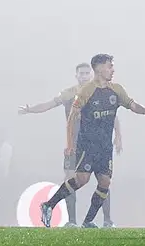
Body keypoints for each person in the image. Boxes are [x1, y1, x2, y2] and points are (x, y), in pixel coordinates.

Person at [36, 54, 145, 228]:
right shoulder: (86, 90)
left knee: (105, 182)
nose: (113, 69)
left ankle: (88, 221)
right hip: (87, 145)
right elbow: (72, 116)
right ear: (99, 68)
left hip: (105, 146)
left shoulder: (116, 90)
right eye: (110, 66)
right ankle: (48, 206)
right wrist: (70, 143)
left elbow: (132, 105)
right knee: (81, 180)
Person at [18, 62, 95, 225]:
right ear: (76, 76)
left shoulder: (97, 92)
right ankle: (72, 221)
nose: (84, 76)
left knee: (102, 179)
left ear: (91, 75)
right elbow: (49, 104)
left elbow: (112, 115)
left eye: (87, 73)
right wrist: (30, 109)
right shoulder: (68, 93)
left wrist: (118, 135)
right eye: (81, 73)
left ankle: (105, 221)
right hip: (73, 145)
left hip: (94, 144)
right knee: (70, 179)